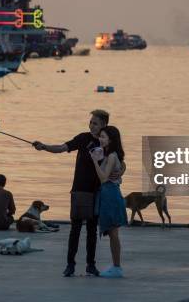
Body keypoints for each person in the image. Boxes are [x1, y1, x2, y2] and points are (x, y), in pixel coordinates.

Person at [33, 110, 125, 277]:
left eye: (95, 123)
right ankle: (70, 265)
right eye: (90, 122)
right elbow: (62, 148)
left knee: (92, 231)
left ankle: (91, 265)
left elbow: (119, 160)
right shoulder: (83, 138)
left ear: (104, 124)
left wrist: (121, 171)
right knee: (75, 229)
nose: (91, 125)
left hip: (98, 193)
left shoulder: (107, 142)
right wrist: (45, 147)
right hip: (80, 190)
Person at [89, 126, 128, 278]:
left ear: (111, 139)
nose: (100, 139)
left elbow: (104, 178)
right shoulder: (111, 155)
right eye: (100, 136)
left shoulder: (111, 156)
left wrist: (94, 162)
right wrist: (121, 172)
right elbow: (122, 166)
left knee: (113, 233)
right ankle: (116, 266)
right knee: (113, 233)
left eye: (103, 137)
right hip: (109, 194)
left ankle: (117, 267)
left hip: (110, 195)